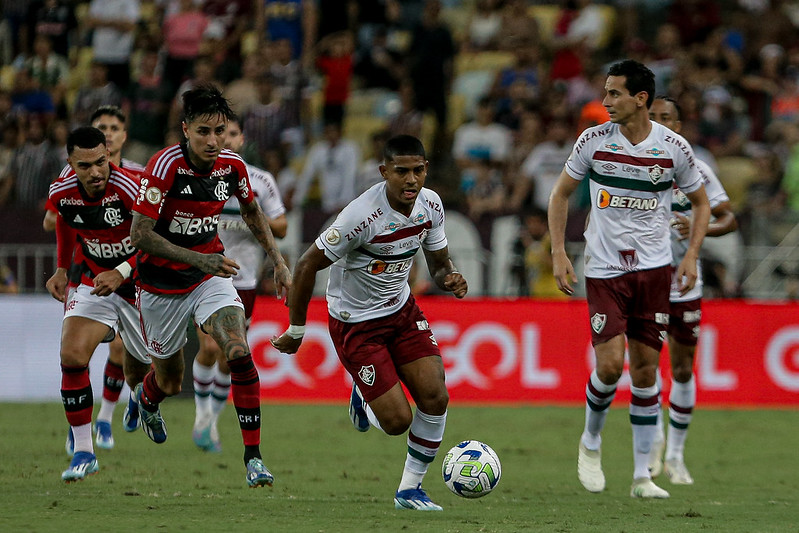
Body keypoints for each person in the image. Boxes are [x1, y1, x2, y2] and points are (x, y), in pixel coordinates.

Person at [271, 134, 468, 511]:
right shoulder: (361, 216)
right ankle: (363, 396)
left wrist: (451, 277)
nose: (411, 180)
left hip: (402, 310)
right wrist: (297, 329)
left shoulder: (431, 205)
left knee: (436, 396)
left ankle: (410, 490)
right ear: (384, 172)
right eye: (402, 172)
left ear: (426, 170)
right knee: (397, 422)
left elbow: (440, 265)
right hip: (356, 322)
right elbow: (306, 264)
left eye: (418, 171)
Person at [547, 59, 711, 499]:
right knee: (608, 366)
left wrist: (691, 254)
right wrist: (559, 251)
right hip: (604, 270)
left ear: (641, 99)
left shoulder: (673, 148)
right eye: (605, 92)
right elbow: (560, 194)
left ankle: (642, 477)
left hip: (654, 272)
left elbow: (701, 202)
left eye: (614, 93)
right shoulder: (594, 141)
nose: (605, 102)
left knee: (644, 373)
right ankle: (591, 441)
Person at [129, 85, 291, 488]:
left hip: (209, 278)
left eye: (219, 131)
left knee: (236, 349)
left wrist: (278, 261)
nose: (213, 141)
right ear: (186, 130)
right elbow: (140, 234)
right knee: (167, 380)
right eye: (204, 132)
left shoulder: (232, 167)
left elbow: (252, 211)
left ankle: (253, 458)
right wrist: (198, 258)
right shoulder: (164, 166)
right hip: (160, 287)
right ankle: (146, 400)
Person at [45, 126, 151, 482]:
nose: (95, 172)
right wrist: (61, 268)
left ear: (109, 155)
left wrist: (121, 271)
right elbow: (64, 221)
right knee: (72, 355)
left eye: (101, 162)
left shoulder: (129, 189)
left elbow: (155, 242)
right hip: (95, 282)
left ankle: (144, 398)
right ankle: (84, 451)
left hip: (141, 284)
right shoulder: (62, 192)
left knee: (153, 374)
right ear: (70, 163)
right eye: (85, 165)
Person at [647, 96, 738, 485]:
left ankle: (677, 456)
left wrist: (699, 229)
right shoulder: (629, 165)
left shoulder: (696, 168)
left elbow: (728, 218)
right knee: (644, 368)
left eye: (666, 118)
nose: (659, 123)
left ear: (679, 126)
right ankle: (652, 444)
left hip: (684, 282)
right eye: (652, 117)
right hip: (641, 281)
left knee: (682, 369)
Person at [191, 115, 288, 454]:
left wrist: (253, 217)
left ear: (241, 139)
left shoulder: (260, 181)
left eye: (230, 133)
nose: (225, 140)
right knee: (208, 348)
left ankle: (211, 422)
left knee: (228, 357)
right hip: (204, 273)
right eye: (218, 133)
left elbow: (282, 225)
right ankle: (202, 416)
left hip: (243, 279)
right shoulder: (198, 178)